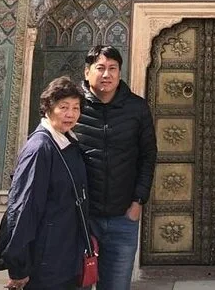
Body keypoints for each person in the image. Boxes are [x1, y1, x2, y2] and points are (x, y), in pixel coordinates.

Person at [0, 76, 88, 290]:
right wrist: (19, 267)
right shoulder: (40, 149)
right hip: (46, 262)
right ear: (48, 108)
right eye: (64, 107)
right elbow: (24, 208)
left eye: (75, 108)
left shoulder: (68, 142)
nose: (70, 114)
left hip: (66, 256)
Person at [73, 45, 157, 290]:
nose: (106, 74)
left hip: (122, 218)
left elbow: (148, 156)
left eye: (112, 68)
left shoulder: (136, 108)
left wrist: (137, 202)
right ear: (87, 72)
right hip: (80, 219)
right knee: (75, 283)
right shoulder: (73, 107)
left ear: (120, 72)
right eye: (100, 68)